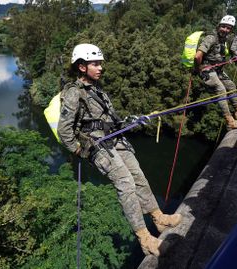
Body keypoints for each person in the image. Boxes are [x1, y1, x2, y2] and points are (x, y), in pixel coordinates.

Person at [57, 43, 182, 257]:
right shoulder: (73, 93)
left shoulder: (97, 90)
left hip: (113, 138)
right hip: (96, 146)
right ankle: (144, 238)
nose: (100, 68)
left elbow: (108, 119)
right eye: (95, 64)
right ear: (81, 67)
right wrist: (79, 151)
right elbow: (64, 130)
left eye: (100, 64)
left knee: (139, 176)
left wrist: (131, 122)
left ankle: (158, 218)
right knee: (126, 183)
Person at [194, 15, 237, 129]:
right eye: (224, 27)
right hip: (206, 69)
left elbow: (219, 54)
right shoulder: (211, 37)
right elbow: (197, 56)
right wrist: (198, 69)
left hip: (216, 69)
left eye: (228, 28)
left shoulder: (223, 39)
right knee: (221, 89)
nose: (225, 30)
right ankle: (229, 120)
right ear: (219, 26)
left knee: (231, 85)